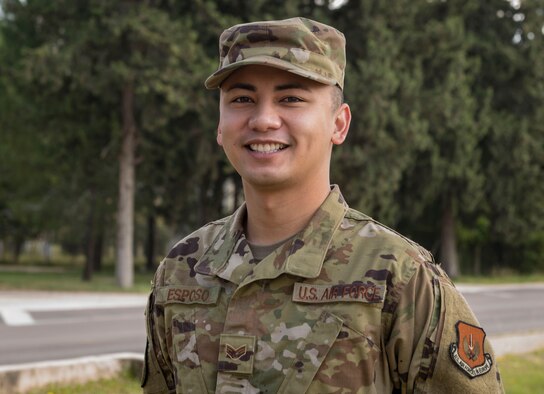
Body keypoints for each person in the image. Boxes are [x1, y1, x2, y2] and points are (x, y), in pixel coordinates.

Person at [141, 17, 504, 394]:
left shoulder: (397, 277)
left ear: (339, 123)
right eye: (242, 99)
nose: (264, 119)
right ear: (220, 125)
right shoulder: (182, 271)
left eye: (291, 99)